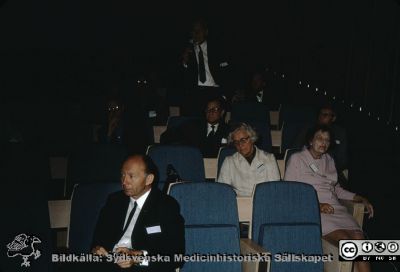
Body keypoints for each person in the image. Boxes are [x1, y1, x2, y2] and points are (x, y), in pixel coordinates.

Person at [284, 124, 373, 272]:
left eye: (327, 140)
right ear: (310, 141)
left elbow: (335, 189)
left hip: (336, 209)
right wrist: (317, 205)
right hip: (313, 210)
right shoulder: (297, 159)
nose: (323, 142)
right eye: (319, 138)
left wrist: (359, 197)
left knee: (359, 238)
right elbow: (290, 192)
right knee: (346, 241)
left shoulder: (329, 160)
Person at [91, 155, 185, 272]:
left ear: (149, 179)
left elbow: (176, 256)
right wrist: (97, 249)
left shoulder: (166, 206)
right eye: (122, 175)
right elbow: (97, 241)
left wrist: (136, 257)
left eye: (131, 176)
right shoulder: (114, 201)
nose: (124, 181)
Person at [180, 18, 232, 116]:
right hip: (195, 93)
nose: (196, 33)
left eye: (199, 30)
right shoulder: (187, 50)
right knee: (195, 125)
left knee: (215, 125)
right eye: (194, 31)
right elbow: (181, 77)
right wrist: (185, 61)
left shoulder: (217, 49)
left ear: (206, 32)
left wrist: (225, 95)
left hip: (214, 92)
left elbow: (228, 71)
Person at [217, 123, 281, 196]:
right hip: (237, 204)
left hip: (263, 202)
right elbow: (222, 191)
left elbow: (275, 190)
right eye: (236, 142)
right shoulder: (229, 162)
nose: (240, 145)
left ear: (252, 138)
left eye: (243, 140)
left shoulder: (269, 158)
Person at [160, 96, 229, 158]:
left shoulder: (228, 130)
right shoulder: (192, 125)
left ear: (222, 112)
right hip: (193, 161)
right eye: (208, 109)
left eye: (215, 109)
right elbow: (166, 136)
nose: (210, 112)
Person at [294, 104, 348, 176]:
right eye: (325, 114)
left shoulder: (340, 132)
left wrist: (330, 169)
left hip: (332, 169)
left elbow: (342, 158)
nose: (328, 117)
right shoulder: (308, 129)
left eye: (331, 115)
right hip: (308, 166)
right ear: (318, 116)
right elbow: (296, 148)